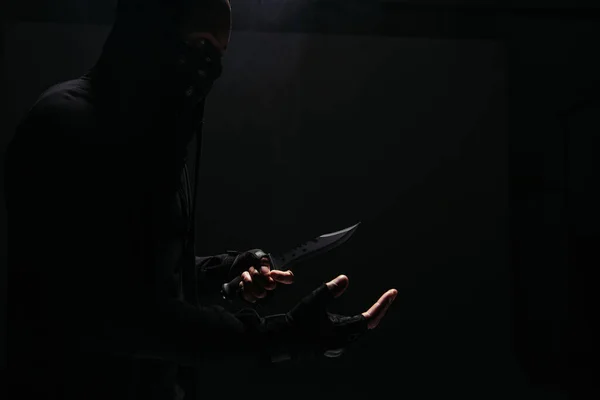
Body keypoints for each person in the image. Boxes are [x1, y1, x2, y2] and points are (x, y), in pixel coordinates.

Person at [5, 1, 397, 399]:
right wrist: (279, 337)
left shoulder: (155, 146)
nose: (209, 65)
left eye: (219, 52)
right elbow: (110, 311)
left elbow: (140, 265)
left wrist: (225, 272)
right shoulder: (64, 128)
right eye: (200, 42)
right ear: (147, 33)